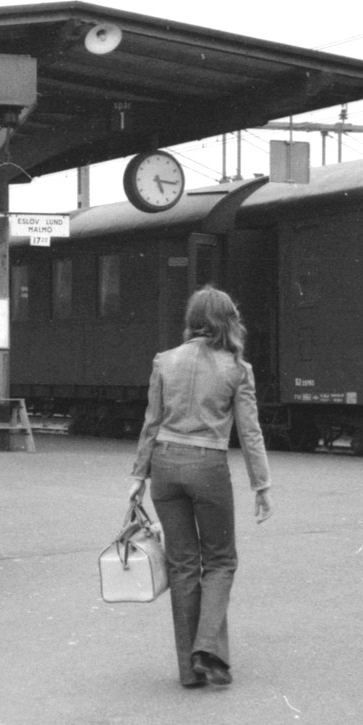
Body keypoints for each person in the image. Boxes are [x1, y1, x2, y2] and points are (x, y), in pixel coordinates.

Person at [129, 285, 274, 689]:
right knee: (221, 561)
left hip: (164, 466)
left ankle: (188, 672)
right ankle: (207, 648)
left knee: (182, 566)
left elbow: (151, 422)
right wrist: (261, 485)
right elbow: (250, 432)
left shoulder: (165, 361)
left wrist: (137, 477)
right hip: (208, 467)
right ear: (228, 321)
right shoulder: (236, 369)